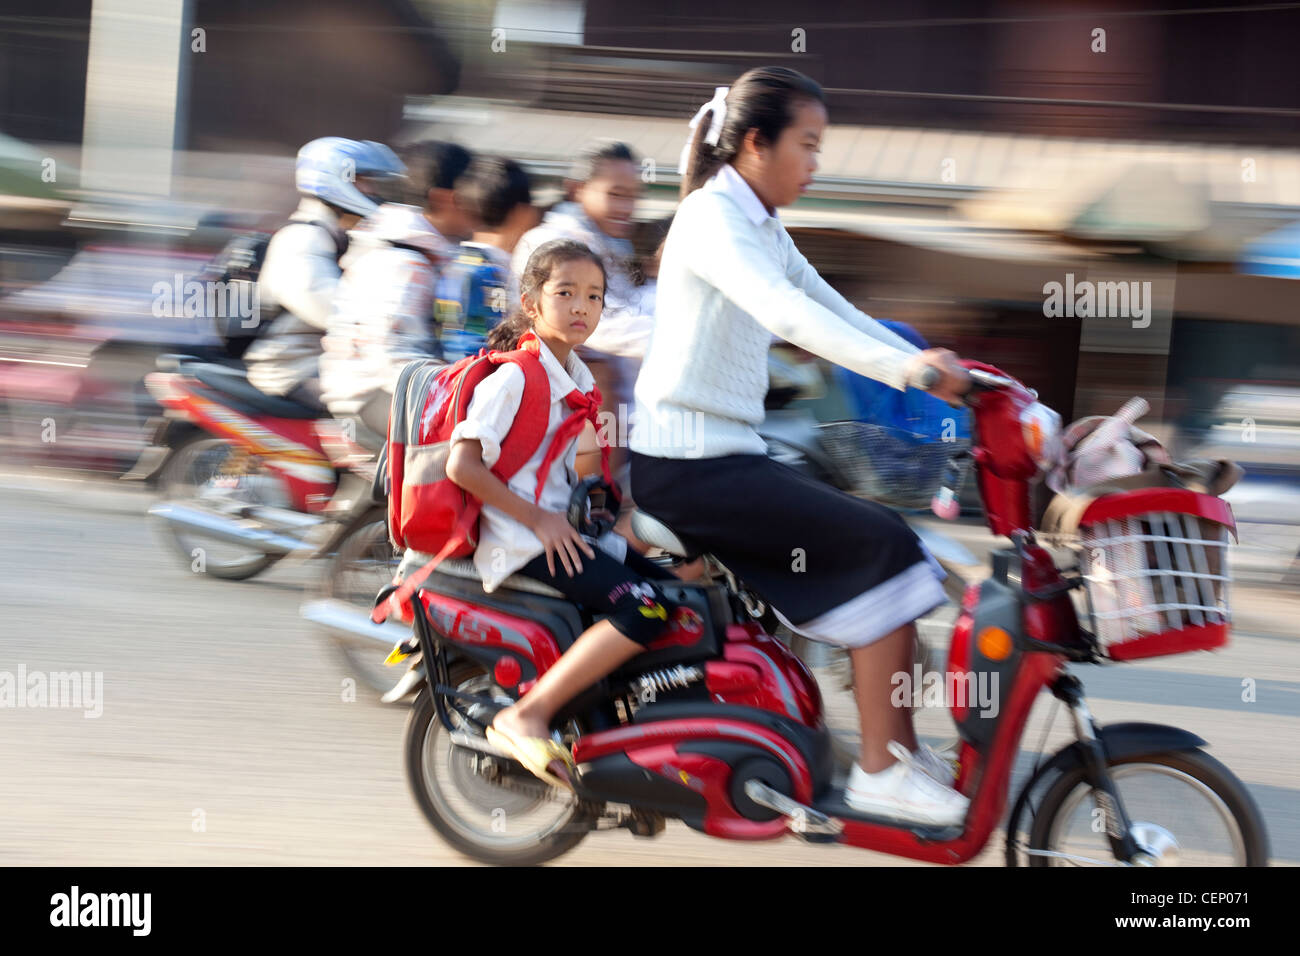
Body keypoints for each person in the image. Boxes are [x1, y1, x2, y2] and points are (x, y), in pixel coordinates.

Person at [628, 68, 974, 826]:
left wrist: (943, 369)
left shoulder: (757, 222)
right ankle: (880, 770)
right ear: (757, 144)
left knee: (892, 543)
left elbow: (834, 306)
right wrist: (908, 370)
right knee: (886, 544)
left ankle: (900, 757)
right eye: (807, 145)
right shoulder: (713, 220)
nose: (816, 162)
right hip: (686, 468)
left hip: (722, 456)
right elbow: (787, 313)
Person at [444, 238, 685, 789]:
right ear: (531, 303)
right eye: (566, 293)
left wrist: (599, 499)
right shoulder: (515, 376)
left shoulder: (572, 376)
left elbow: (569, 464)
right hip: (523, 543)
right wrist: (540, 519)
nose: (582, 307)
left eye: (595, 297)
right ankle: (525, 714)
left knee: (680, 585)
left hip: (559, 533)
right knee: (644, 609)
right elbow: (464, 466)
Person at [509, 141, 655, 495]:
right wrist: (684, 343)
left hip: (618, 410)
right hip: (562, 401)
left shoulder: (603, 245)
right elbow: (599, 325)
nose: (627, 207)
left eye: (633, 196)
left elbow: (629, 310)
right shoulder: (552, 242)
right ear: (577, 190)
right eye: (616, 194)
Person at [319, 141, 475, 447]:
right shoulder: (401, 261)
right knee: (470, 449)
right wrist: (456, 388)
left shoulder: (424, 250)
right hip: (369, 396)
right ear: (446, 199)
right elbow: (389, 354)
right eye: (473, 196)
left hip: (388, 390)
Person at [244, 137, 405, 407]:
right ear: (335, 181)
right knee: (390, 411)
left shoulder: (340, 236)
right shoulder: (300, 240)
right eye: (363, 180)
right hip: (292, 370)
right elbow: (331, 311)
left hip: (327, 365)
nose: (372, 190)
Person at [432, 156, 537, 364]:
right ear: (522, 213)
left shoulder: (448, 264)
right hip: (484, 381)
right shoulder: (498, 276)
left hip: (449, 380)